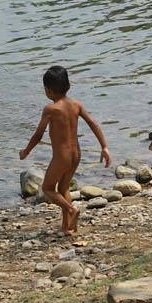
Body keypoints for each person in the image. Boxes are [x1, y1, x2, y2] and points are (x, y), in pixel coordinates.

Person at [19, 66, 111, 235]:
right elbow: (93, 123)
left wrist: (26, 151)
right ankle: (68, 226)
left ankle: (71, 209)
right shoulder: (76, 105)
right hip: (76, 154)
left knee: (47, 189)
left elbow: (38, 135)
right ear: (69, 86)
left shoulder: (51, 109)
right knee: (63, 189)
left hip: (62, 156)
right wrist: (104, 146)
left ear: (48, 90)